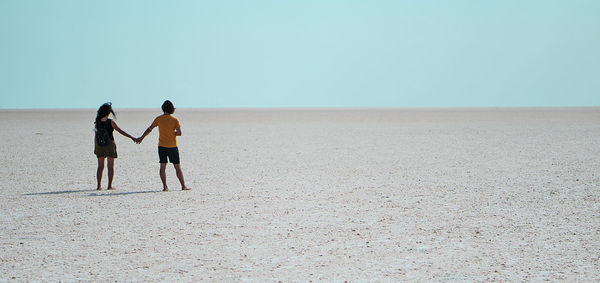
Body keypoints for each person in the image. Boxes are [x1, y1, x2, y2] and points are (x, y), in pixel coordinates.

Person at [137, 100, 191, 191]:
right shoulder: (174, 120)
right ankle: (183, 186)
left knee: (162, 166)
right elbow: (179, 133)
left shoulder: (158, 119)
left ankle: (165, 186)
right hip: (172, 146)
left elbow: (149, 129)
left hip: (161, 146)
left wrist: (141, 137)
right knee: (177, 167)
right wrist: (172, 132)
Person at [94, 102, 137, 190]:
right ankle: (109, 186)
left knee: (100, 166)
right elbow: (120, 131)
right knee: (110, 166)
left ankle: (98, 185)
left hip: (99, 145)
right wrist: (131, 137)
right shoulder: (111, 122)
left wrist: (95, 146)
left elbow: (95, 135)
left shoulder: (97, 122)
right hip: (109, 144)